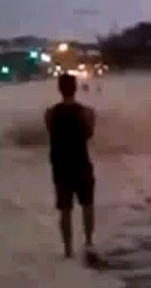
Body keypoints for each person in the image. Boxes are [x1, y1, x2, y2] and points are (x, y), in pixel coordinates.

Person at [44, 73, 98, 261]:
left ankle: (68, 250)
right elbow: (89, 134)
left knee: (65, 209)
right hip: (81, 162)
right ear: (75, 88)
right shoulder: (87, 112)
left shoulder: (50, 113)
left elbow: (51, 132)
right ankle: (89, 242)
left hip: (60, 165)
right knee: (87, 205)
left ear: (60, 89)